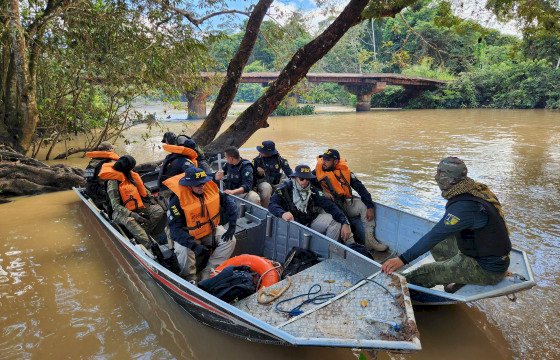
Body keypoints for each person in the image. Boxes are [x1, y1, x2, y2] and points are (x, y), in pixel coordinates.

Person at [381, 157, 512, 292]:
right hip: (488, 256)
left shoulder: (464, 207)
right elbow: (438, 236)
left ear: (449, 179)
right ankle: (452, 278)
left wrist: (402, 259)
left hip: (487, 269)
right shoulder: (473, 189)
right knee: (438, 244)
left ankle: (392, 290)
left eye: (439, 173)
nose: (435, 177)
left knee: (427, 272)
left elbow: (434, 235)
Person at [164, 167, 238, 281]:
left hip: (209, 230)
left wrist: (232, 226)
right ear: (189, 185)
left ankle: (208, 272)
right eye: (197, 185)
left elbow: (230, 205)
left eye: (203, 183)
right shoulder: (176, 201)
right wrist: (195, 246)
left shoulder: (210, 190)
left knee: (230, 240)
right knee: (184, 251)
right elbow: (175, 231)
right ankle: (190, 278)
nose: (201, 186)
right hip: (187, 235)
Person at [313, 149, 387, 252]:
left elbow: (360, 188)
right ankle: (352, 246)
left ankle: (370, 241)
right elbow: (307, 186)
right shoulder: (316, 173)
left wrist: (370, 206)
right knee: (340, 219)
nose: (324, 161)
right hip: (327, 208)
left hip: (343, 203)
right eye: (323, 159)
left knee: (363, 205)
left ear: (335, 161)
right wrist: (321, 192)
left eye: (327, 159)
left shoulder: (345, 172)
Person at [269, 164, 354, 244]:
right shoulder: (284, 189)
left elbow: (330, 206)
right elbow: (272, 205)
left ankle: (328, 250)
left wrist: (345, 222)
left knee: (336, 221)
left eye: (307, 179)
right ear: (295, 178)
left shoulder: (313, 191)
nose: (305, 181)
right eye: (301, 179)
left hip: (309, 222)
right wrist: (282, 213)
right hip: (290, 224)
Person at [98, 155, 165, 248]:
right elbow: (115, 205)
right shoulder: (113, 182)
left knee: (158, 210)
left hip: (136, 207)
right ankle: (148, 245)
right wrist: (133, 215)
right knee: (130, 221)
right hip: (119, 212)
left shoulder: (131, 175)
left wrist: (155, 200)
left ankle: (143, 232)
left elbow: (145, 191)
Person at [252, 140, 293, 208]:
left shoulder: (280, 160)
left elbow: (289, 172)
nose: (260, 152)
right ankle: (266, 209)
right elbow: (251, 176)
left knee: (287, 183)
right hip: (262, 184)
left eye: (263, 151)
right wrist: (257, 172)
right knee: (267, 187)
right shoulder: (256, 160)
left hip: (276, 184)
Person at [84, 141, 119, 208]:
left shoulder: (92, 161)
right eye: (112, 148)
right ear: (109, 150)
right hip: (101, 193)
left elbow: (86, 177)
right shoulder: (110, 162)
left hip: (90, 189)